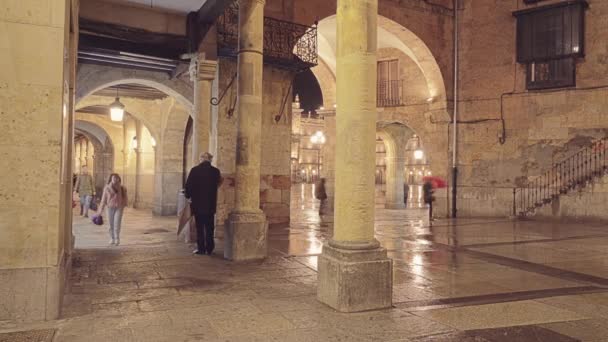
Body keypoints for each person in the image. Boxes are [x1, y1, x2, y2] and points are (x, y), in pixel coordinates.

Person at [185, 152, 222, 255]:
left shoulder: (195, 170)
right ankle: (210, 248)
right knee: (210, 227)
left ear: (201, 159)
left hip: (197, 204)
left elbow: (188, 186)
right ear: (210, 160)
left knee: (200, 227)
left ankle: (201, 249)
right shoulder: (215, 171)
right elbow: (219, 183)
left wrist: (188, 196)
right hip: (210, 204)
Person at [99, 173, 128, 246]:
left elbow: (125, 197)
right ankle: (112, 238)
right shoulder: (107, 188)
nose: (115, 179)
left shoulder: (122, 188)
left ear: (119, 179)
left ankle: (117, 238)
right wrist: (100, 210)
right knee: (110, 224)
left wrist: (124, 205)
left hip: (119, 207)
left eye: (116, 178)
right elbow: (103, 199)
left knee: (117, 223)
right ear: (111, 179)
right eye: (113, 178)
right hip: (109, 208)